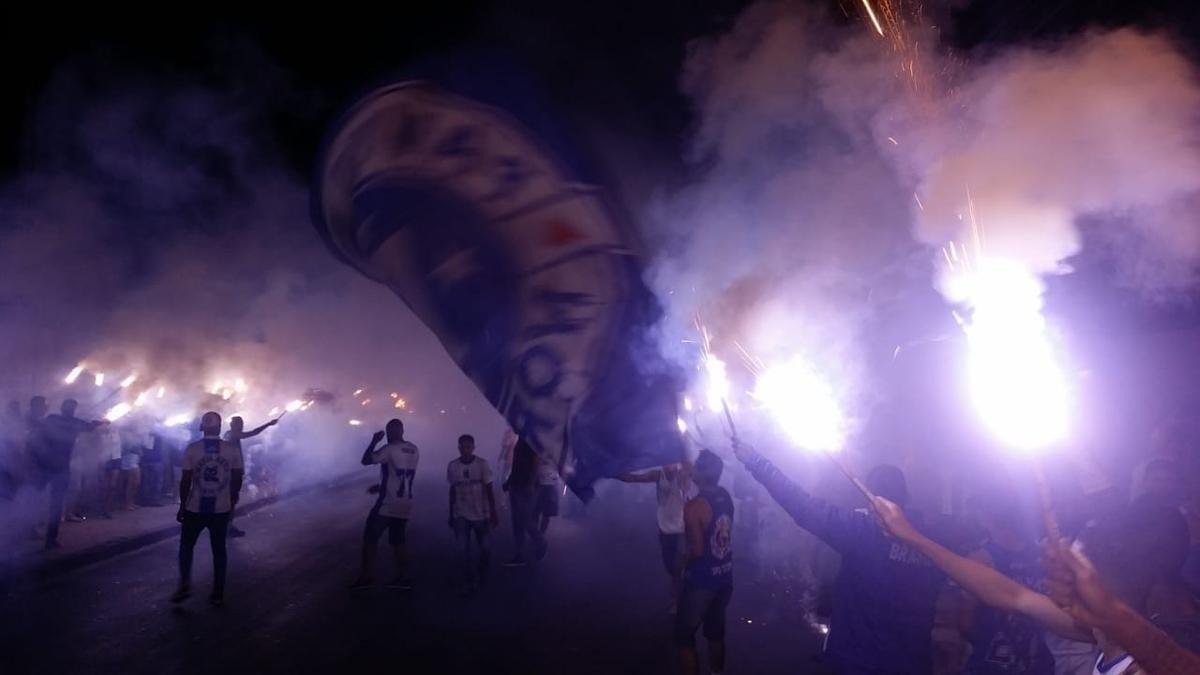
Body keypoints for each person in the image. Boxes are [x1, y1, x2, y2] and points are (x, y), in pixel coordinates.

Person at [874, 496, 1199, 675]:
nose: (1059, 574)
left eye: (1077, 568)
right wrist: (912, 536)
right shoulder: (1099, 631)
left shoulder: (1147, 664)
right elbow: (1010, 594)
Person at [732, 442, 946, 674]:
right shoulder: (931, 542)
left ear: (873, 497)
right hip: (913, 665)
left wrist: (756, 461)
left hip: (858, 663)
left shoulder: (863, 531)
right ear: (905, 496)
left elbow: (803, 506)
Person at [171, 412, 243, 607]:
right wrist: (232, 497)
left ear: (202, 427)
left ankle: (184, 585)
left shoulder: (192, 449)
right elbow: (238, 476)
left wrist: (182, 506)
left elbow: (185, 480)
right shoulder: (231, 449)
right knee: (219, 550)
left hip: (195, 507)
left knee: (186, 547)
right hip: (220, 509)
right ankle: (218, 592)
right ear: (220, 428)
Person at [676, 449, 733, 675]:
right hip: (725, 578)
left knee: (683, 634)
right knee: (715, 634)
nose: (692, 470)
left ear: (702, 472)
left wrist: (683, 564)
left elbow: (697, 550)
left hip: (702, 582)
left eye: (696, 466)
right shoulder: (725, 496)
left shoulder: (695, 506)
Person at [619, 461, 698, 612]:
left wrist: (685, 475)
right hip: (665, 528)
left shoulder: (684, 475)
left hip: (682, 529)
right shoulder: (657, 475)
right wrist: (612, 472)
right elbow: (634, 478)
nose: (669, 464)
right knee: (670, 566)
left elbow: (691, 483)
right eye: (666, 461)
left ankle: (680, 602)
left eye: (672, 461)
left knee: (678, 568)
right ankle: (684, 596)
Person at [352, 419, 419, 590]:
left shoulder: (390, 448)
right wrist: (381, 485)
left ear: (391, 432)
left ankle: (366, 577)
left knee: (370, 538)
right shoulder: (414, 449)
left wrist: (374, 441)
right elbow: (399, 474)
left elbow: (366, 460)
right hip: (405, 503)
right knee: (398, 541)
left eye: (389, 431)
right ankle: (404, 577)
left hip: (388, 503)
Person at [37, 399, 105, 549]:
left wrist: (96, 423)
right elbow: (89, 426)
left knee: (54, 503)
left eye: (71, 408)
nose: (70, 410)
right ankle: (38, 532)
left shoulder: (64, 421)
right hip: (49, 466)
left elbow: (90, 426)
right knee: (41, 499)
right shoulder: (62, 420)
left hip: (57, 467)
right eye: (70, 408)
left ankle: (49, 537)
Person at [447, 434, 499, 593]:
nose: (465, 450)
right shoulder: (453, 466)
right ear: (459, 448)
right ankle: (468, 580)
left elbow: (489, 489)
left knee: (486, 549)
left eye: (468, 447)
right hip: (460, 514)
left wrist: (493, 512)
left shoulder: (482, 465)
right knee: (462, 549)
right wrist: (450, 513)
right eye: (462, 447)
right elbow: (452, 489)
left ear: (473, 448)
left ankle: (481, 573)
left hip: (481, 514)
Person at [222, 415, 278, 537]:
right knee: (231, 501)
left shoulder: (228, 434)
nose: (242, 426)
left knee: (230, 501)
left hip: (230, 471)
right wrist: (269, 424)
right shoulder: (233, 435)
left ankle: (225, 526)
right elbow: (253, 433)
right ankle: (227, 528)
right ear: (234, 425)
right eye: (240, 424)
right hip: (232, 472)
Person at [501, 437, 545, 566]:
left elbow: (536, 461)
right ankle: (519, 554)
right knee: (517, 520)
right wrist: (509, 480)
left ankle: (540, 541)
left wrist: (531, 483)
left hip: (526, 485)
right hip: (516, 483)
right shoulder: (521, 439)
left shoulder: (533, 439)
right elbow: (516, 463)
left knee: (524, 519)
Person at [533, 455, 560, 536]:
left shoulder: (556, 451)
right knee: (536, 511)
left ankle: (540, 535)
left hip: (550, 485)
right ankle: (537, 536)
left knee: (546, 513)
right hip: (539, 484)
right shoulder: (538, 448)